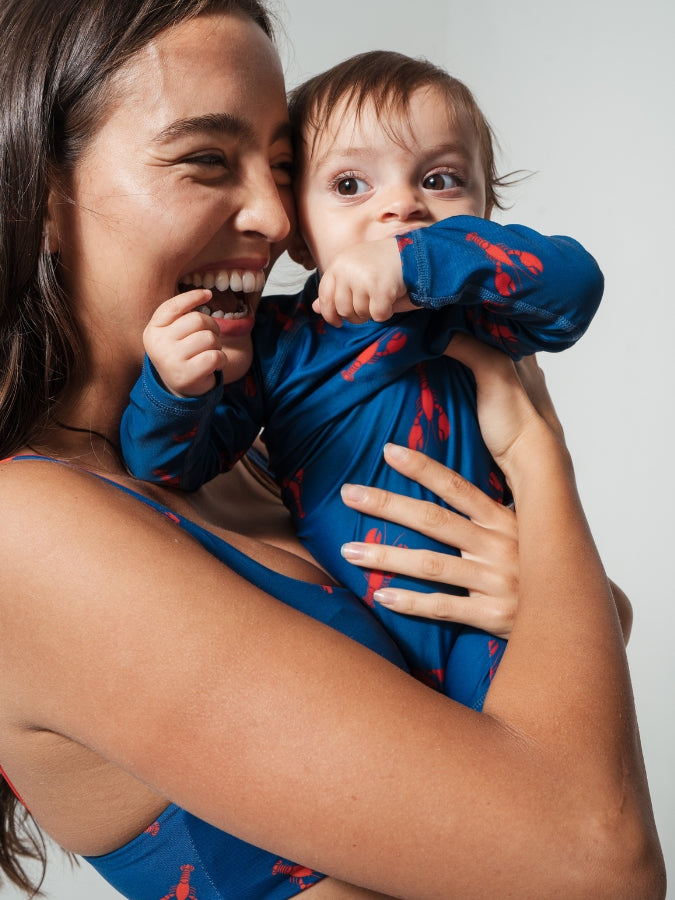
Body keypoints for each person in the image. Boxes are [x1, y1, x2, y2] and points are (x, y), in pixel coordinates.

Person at [0, 2, 664, 900]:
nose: (277, 219)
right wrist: (537, 453)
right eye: (205, 158)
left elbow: (603, 630)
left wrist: (542, 592)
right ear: (38, 195)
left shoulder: (251, 446)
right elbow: (596, 864)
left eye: (284, 168)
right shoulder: (26, 530)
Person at [122, 50, 605, 707]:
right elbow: (173, 469)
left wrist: (418, 262)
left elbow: (574, 286)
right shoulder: (276, 341)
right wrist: (176, 391)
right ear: (297, 235)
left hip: (490, 624)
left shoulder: (474, 319)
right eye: (351, 185)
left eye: (439, 179)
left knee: (535, 772)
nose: (401, 207)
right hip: (358, 656)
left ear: (483, 211)